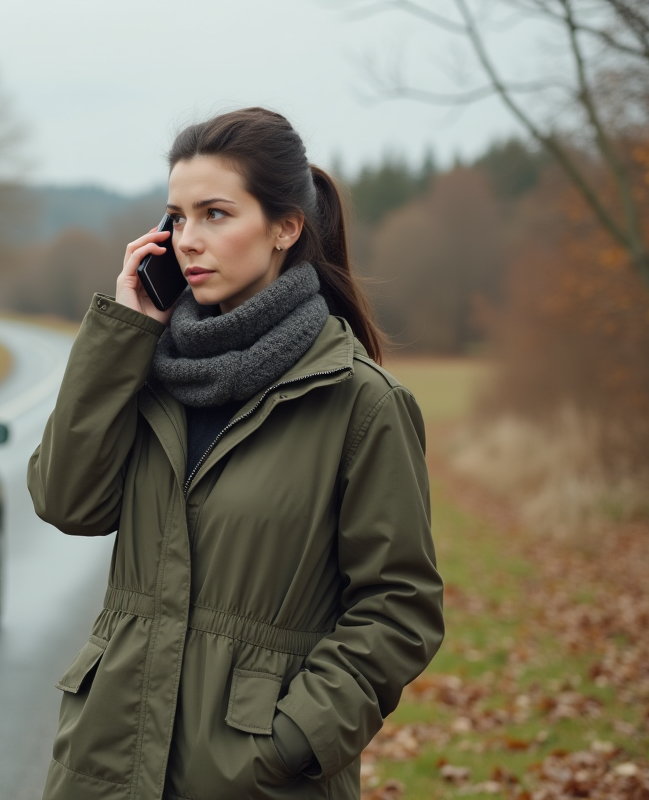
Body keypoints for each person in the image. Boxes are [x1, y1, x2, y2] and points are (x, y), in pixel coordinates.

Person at [27, 107, 445, 800]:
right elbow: (66, 502)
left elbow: (399, 608)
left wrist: (292, 740)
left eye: (215, 214)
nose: (188, 240)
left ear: (286, 228)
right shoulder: (144, 373)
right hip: (107, 764)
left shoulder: (358, 402)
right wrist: (121, 335)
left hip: (256, 778)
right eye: (176, 218)